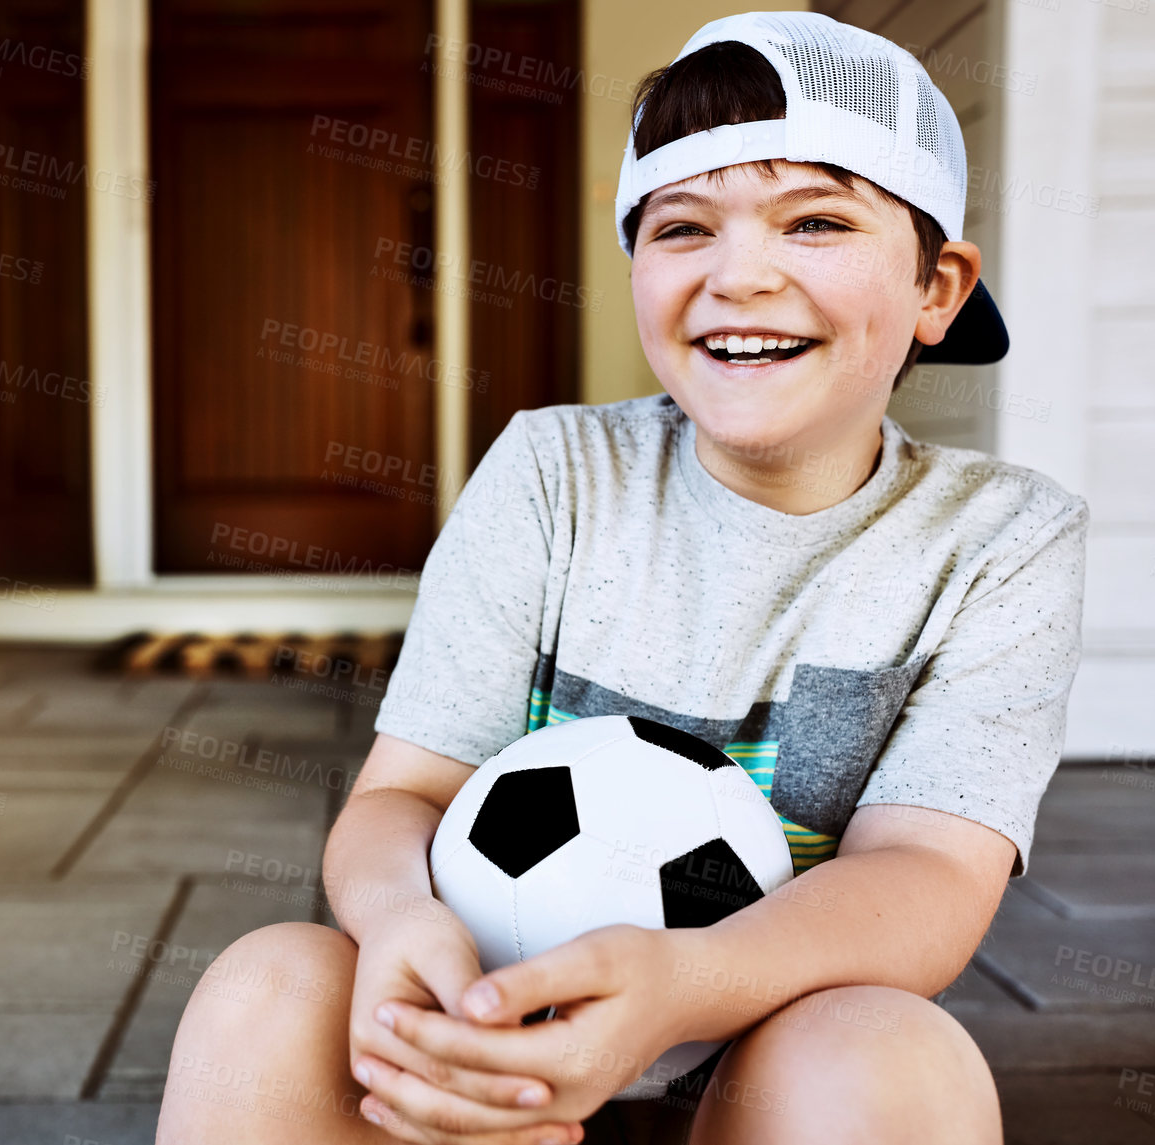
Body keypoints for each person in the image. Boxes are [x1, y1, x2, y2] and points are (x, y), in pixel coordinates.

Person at [157, 11, 1087, 1144]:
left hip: (771, 1052)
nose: (740, 275)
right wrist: (403, 921)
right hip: (490, 1024)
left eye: (817, 220)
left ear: (938, 286)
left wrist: (682, 980)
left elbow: (929, 872)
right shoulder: (554, 472)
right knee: (269, 988)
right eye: (684, 227)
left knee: (897, 1057)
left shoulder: (1000, 537)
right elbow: (400, 797)